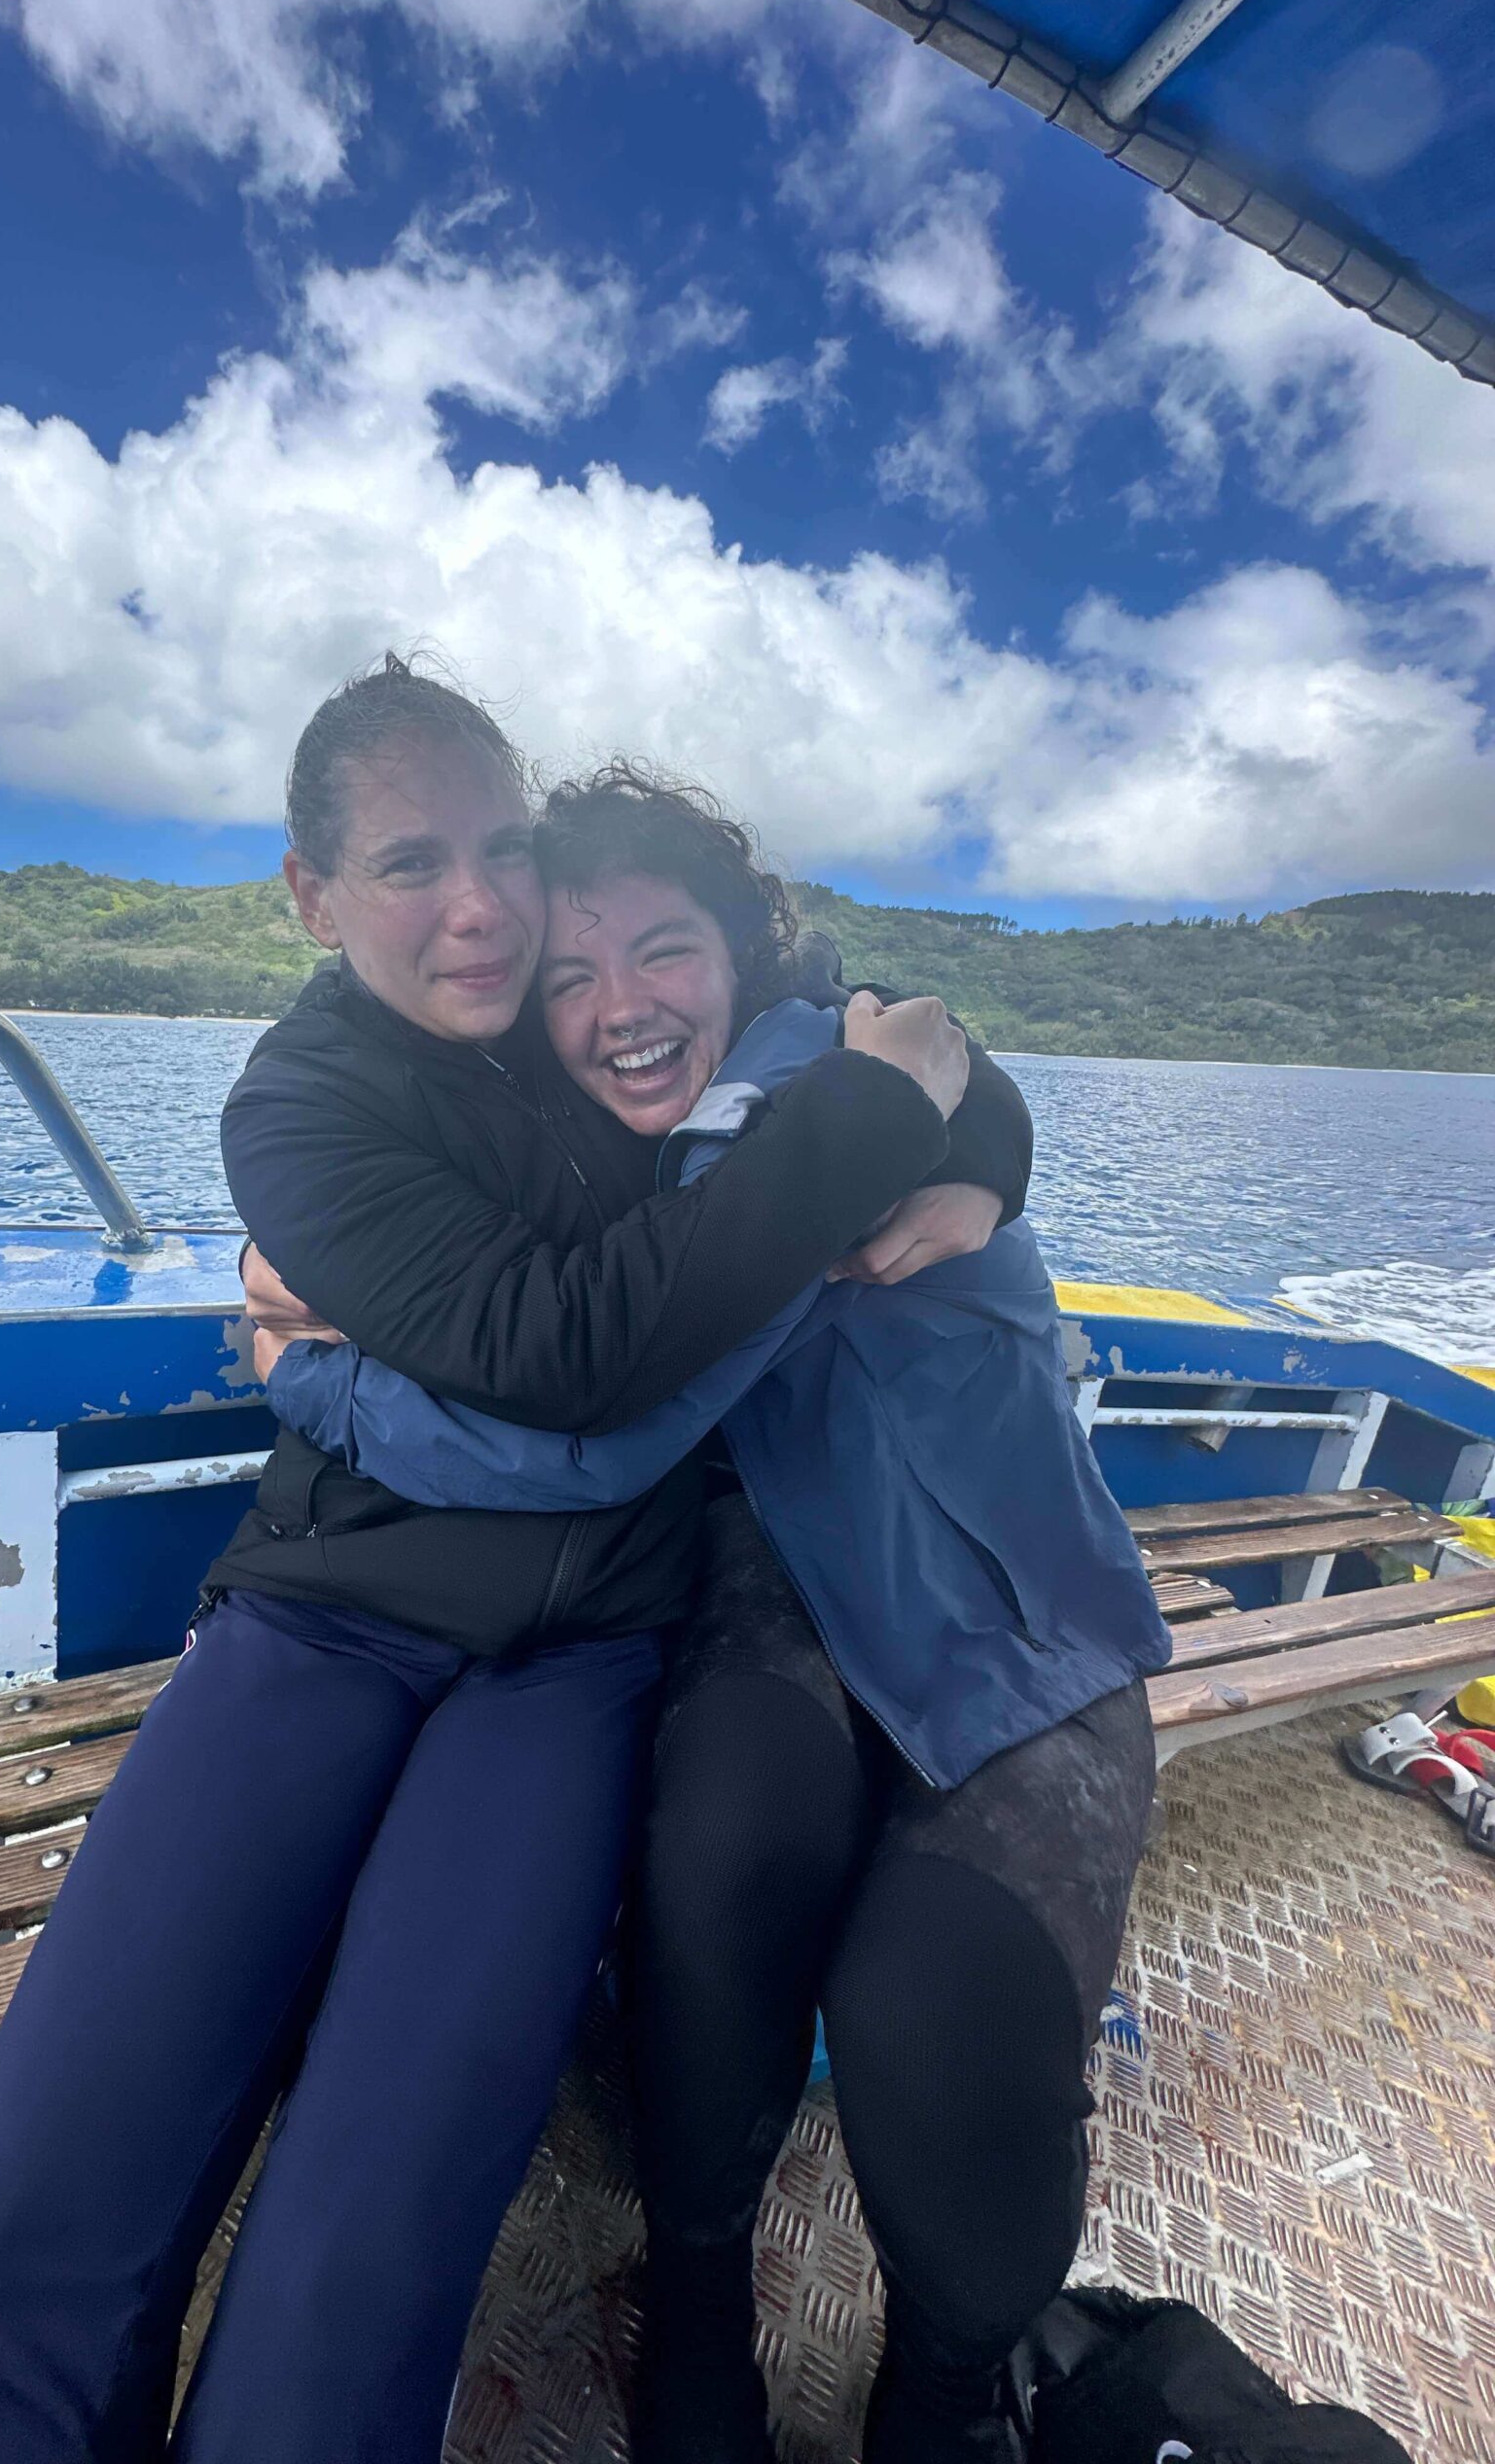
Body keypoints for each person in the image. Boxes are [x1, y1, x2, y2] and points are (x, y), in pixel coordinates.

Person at [0, 660, 1030, 2464]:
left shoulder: (624, 1013)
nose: (477, 908)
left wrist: (981, 1146)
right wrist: (865, 1134)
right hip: (329, 1622)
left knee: (374, 2229)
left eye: (503, 852)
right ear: (312, 899)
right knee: (44, 2191)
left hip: (573, 1669)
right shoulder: (300, 1109)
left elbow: (892, 1036)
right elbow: (569, 1354)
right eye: (410, 864)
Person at [251, 766, 1173, 2464]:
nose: (619, 1014)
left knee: (939, 2014)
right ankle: (694, 2303)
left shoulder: (811, 1112)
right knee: (717, 1864)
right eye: (569, 981)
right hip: (769, 1604)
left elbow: (602, 1433)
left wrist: (326, 1385)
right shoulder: (627, 1173)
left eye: (663, 954)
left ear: (750, 957)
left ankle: (951, 2378)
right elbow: (533, 1323)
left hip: (1012, 1615)